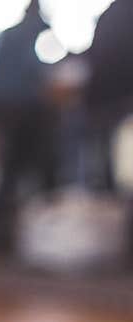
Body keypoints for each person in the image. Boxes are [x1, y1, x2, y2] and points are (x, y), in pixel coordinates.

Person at [0, 0, 58, 249]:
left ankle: (2, 225)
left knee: (11, 167)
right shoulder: (27, 35)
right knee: (24, 163)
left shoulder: (8, 35)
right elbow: (35, 78)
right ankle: (33, 227)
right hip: (15, 111)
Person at [82, 0, 133, 191]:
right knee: (111, 151)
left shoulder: (109, 15)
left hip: (105, 96)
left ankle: (106, 190)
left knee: (106, 150)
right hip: (116, 95)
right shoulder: (120, 15)